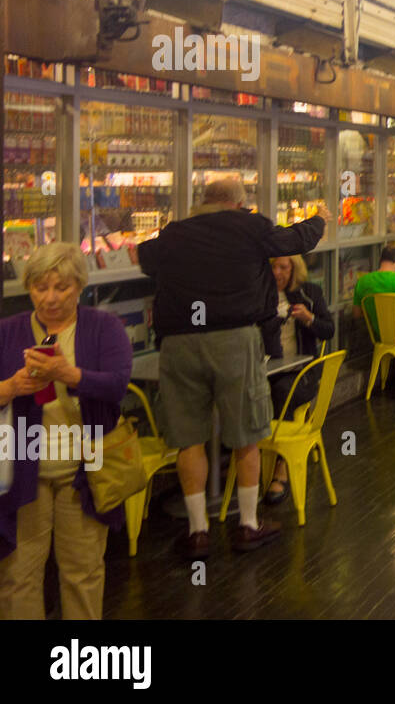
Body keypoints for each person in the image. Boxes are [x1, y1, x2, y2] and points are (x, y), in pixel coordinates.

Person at [137, 178, 328, 560]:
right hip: (234, 339)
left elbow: (143, 257)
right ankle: (248, 525)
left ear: (203, 202)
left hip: (179, 344)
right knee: (246, 434)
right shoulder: (250, 226)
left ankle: (197, 532)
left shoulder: (176, 232)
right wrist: (320, 219)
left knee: (188, 438)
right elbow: (297, 240)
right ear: (240, 203)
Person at [0, 243, 132, 619]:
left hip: (84, 473)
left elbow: (117, 385)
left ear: (80, 286)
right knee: (17, 576)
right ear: (29, 288)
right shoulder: (8, 331)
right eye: (41, 288)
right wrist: (10, 387)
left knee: (83, 573)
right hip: (22, 474)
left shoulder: (103, 327)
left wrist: (67, 374)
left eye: (62, 287)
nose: (51, 298)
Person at [262, 254, 335, 506]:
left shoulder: (309, 293)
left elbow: (329, 329)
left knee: (283, 390)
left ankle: (281, 466)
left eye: (283, 267)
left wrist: (309, 318)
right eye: (273, 266)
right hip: (265, 368)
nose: (277, 272)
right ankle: (243, 457)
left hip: (302, 371)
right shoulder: (260, 296)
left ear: (295, 270)